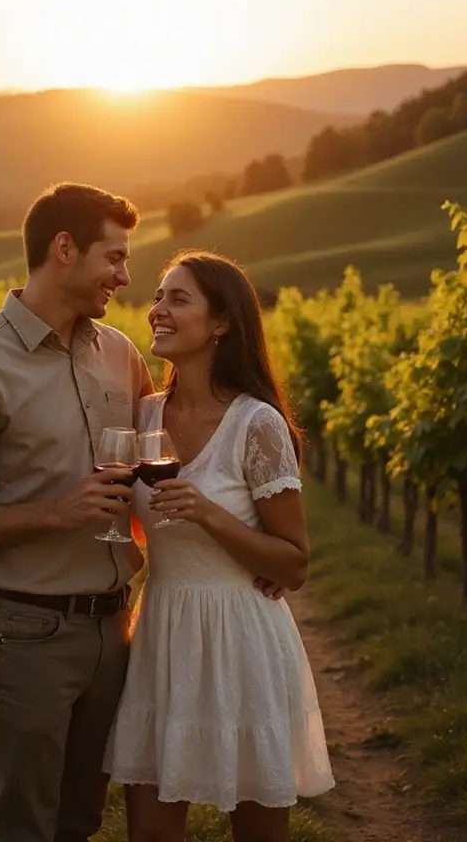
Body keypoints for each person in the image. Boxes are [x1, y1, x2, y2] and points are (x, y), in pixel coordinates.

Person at [0, 182, 155, 842]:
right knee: (24, 826)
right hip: (27, 631)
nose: (125, 276)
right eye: (114, 257)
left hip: (116, 630)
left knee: (79, 822)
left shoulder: (121, 355)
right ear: (64, 249)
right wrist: (58, 512)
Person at [104, 251, 335, 842]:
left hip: (241, 640)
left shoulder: (256, 424)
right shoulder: (144, 416)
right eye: (158, 296)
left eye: (177, 299)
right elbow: (143, 527)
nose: (157, 309)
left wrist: (208, 515)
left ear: (222, 322)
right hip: (160, 632)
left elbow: (295, 562)